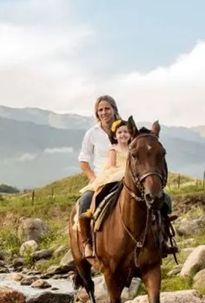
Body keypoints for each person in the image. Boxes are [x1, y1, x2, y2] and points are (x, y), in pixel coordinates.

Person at [76, 95, 177, 258]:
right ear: (96, 113)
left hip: (130, 173)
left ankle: (162, 236)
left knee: (162, 198)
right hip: (105, 174)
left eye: (107, 109)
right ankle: (87, 242)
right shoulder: (91, 134)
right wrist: (93, 178)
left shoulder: (126, 128)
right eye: (100, 110)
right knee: (86, 201)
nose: (104, 112)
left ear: (114, 109)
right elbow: (84, 160)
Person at [79, 118, 131, 217]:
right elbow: (111, 165)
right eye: (120, 132)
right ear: (115, 136)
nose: (123, 134)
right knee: (98, 192)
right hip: (115, 173)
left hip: (130, 174)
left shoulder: (133, 149)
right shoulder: (113, 149)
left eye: (126, 132)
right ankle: (91, 211)